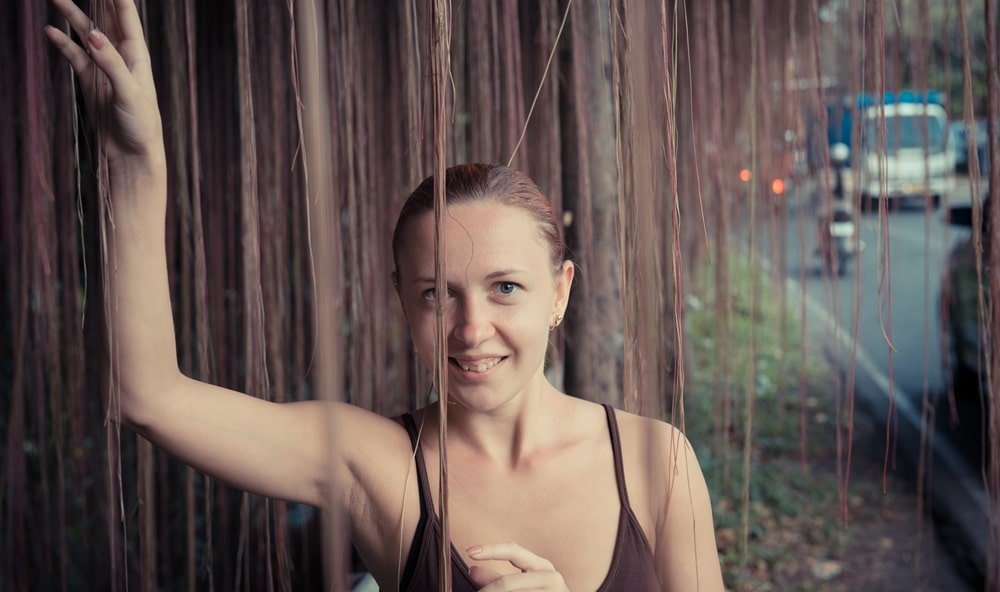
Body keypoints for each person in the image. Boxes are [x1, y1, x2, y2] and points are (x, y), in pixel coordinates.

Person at [45, 1, 724, 590]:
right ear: (402, 300)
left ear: (560, 291)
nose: (471, 328)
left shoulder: (655, 462)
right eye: (438, 295)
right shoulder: (376, 463)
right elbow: (149, 397)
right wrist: (136, 168)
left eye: (506, 288)